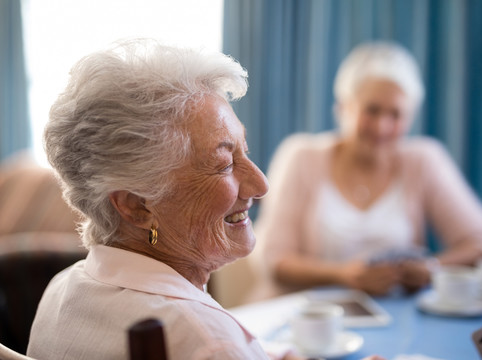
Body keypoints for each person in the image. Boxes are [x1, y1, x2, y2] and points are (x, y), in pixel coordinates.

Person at [27, 39, 378, 360]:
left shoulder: (63, 290)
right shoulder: (206, 341)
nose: (260, 183)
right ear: (137, 205)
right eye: (224, 164)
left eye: (246, 151)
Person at [251, 41, 482, 300]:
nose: (382, 126)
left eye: (395, 114)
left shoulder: (424, 160)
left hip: (397, 321)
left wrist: (433, 268)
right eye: (371, 110)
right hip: (306, 318)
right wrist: (344, 275)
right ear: (344, 108)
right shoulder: (301, 156)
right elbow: (273, 261)